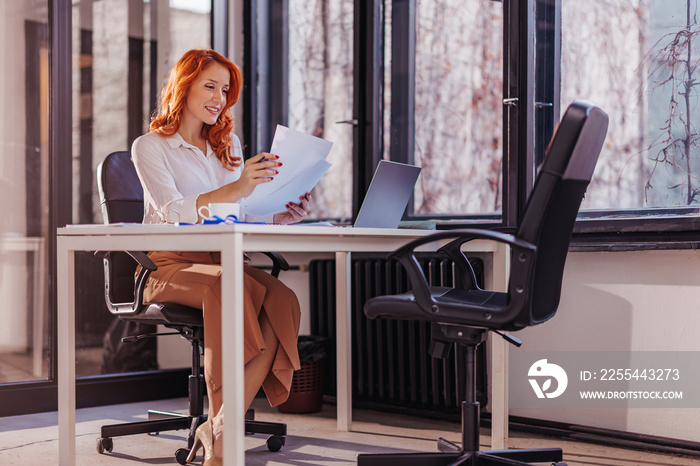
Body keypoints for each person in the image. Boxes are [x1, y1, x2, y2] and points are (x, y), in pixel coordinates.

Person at [131, 49, 310, 465]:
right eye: (209, 86)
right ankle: (224, 444)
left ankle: (218, 426)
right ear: (184, 86)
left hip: (221, 258)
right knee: (227, 285)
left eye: (225, 90)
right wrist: (236, 188)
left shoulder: (225, 147)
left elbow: (240, 214)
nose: (218, 97)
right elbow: (172, 210)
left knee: (283, 299)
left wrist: (280, 214)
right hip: (166, 264)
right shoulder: (151, 147)